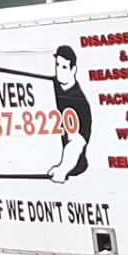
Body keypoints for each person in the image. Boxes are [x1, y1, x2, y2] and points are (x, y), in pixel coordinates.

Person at [48, 45, 91, 183]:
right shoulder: (49, 86)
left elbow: (77, 142)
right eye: (57, 65)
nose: (59, 71)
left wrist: (63, 168)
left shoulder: (80, 103)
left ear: (73, 69)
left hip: (73, 169)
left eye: (64, 67)